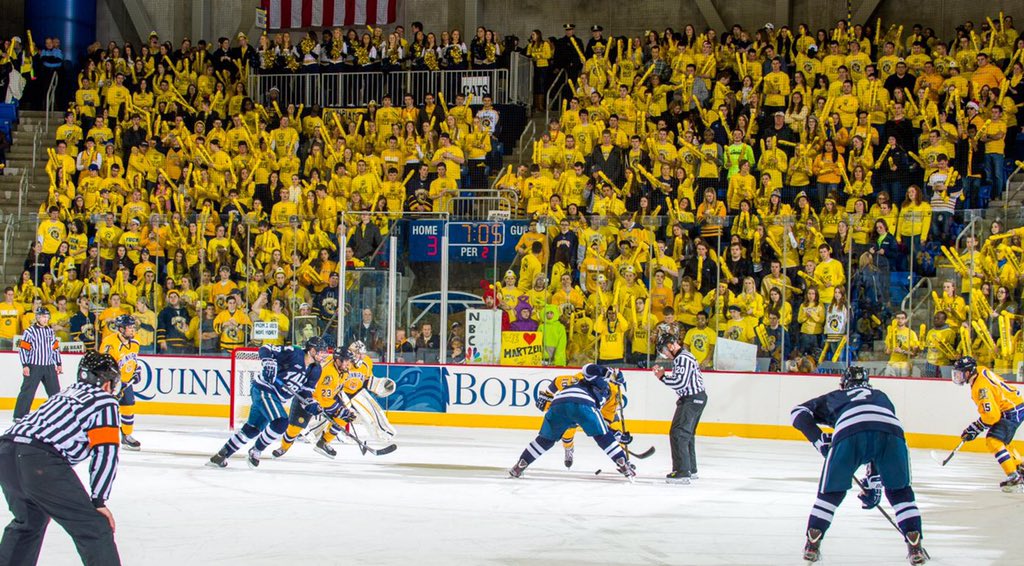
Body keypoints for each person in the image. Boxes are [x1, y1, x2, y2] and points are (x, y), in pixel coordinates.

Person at [791, 366, 927, 564]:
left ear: (844, 383)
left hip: (849, 432)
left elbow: (797, 412)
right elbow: (876, 438)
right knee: (900, 492)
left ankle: (813, 541)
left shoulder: (836, 396)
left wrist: (819, 439)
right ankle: (915, 544)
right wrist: (874, 484)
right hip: (892, 433)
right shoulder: (881, 396)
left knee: (831, 494)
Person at [0, 350, 122, 565]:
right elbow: (105, 452)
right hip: (39, 461)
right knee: (94, 527)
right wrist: (99, 500)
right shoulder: (104, 401)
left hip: (6, 452)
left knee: (29, 522)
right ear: (106, 382)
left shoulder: (65, 393)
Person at [207, 337, 329, 469]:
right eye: (321, 352)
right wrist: (268, 361)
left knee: (252, 429)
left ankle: (221, 456)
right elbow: (265, 348)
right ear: (311, 350)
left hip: (275, 398)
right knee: (281, 422)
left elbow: (305, 393)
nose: (323, 355)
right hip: (264, 389)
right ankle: (256, 450)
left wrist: (311, 404)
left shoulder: (316, 370)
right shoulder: (294, 352)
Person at [509, 364, 634, 479]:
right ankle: (621, 461)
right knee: (603, 437)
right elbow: (602, 426)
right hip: (585, 405)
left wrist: (547, 396)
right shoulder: (606, 387)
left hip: (559, 404)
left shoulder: (584, 378)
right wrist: (616, 436)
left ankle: (521, 464)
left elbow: (585, 369)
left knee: (544, 441)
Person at [951, 357, 1024, 492]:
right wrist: (975, 428)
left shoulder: (980, 388)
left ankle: (1014, 477)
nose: (957, 376)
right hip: (1014, 405)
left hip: (1011, 411)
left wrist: (975, 428)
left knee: (993, 441)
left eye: (960, 373)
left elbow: (991, 417)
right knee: (1002, 440)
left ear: (968, 372)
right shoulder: (980, 370)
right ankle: (1020, 467)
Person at [272, 350, 357, 459]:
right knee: (295, 428)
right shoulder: (328, 373)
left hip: (327, 397)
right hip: (308, 398)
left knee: (344, 417)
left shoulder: (342, 368)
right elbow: (323, 399)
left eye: (349, 361)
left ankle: (324, 443)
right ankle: (284, 447)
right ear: (338, 361)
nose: (348, 364)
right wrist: (340, 410)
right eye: (346, 361)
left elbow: (333, 390)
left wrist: (342, 408)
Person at [654, 333, 707, 484]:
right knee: (687, 434)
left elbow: (680, 383)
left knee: (679, 433)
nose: (664, 355)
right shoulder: (684, 356)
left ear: (670, 346)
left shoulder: (682, 358)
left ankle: (682, 471)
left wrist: (662, 377)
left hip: (692, 399)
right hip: (696, 398)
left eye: (663, 351)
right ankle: (690, 468)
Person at [99, 314, 142, 451]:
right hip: (110, 383)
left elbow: (134, 360)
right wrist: (114, 382)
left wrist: (136, 371)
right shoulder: (109, 343)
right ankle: (99, 436)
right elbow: (104, 365)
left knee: (128, 407)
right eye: (129, 327)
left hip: (126, 382)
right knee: (106, 410)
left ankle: (127, 436)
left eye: (133, 327)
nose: (132, 330)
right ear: (121, 329)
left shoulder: (136, 341)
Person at [14, 307, 63, 420]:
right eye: (43, 317)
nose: (45, 319)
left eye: (47, 317)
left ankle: (58, 415)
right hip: (34, 365)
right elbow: (23, 349)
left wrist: (58, 363)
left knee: (55, 392)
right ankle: (19, 415)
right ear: (37, 317)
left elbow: (55, 349)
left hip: (49, 366)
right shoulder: (29, 331)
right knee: (28, 391)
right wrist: (25, 365)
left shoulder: (50, 331)